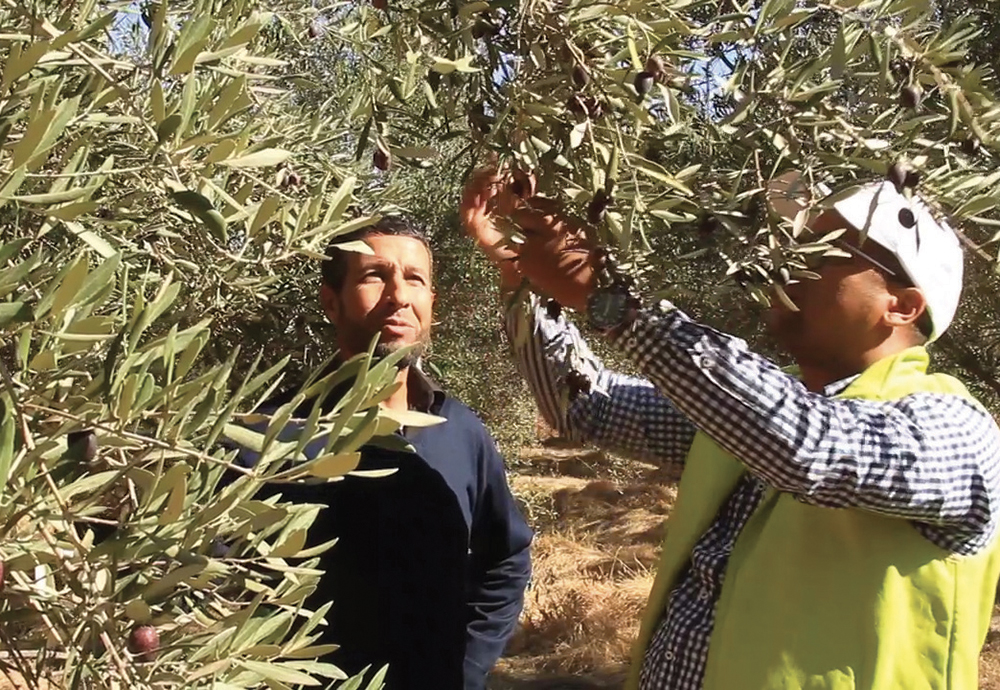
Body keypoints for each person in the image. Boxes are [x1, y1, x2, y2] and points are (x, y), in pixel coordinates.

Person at [460, 166, 1000, 690]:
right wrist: (524, 279)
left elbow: (814, 449)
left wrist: (611, 302)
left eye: (828, 252)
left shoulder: (955, 429)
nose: (788, 263)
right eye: (794, 243)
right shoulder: (742, 410)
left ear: (901, 306)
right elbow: (585, 404)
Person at [231, 216, 532, 690]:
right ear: (331, 301)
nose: (399, 296)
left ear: (432, 301)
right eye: (375, 275)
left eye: (415, 280)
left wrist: (468, 667)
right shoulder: (267, 439)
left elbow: (506, 556)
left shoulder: (459, 430)